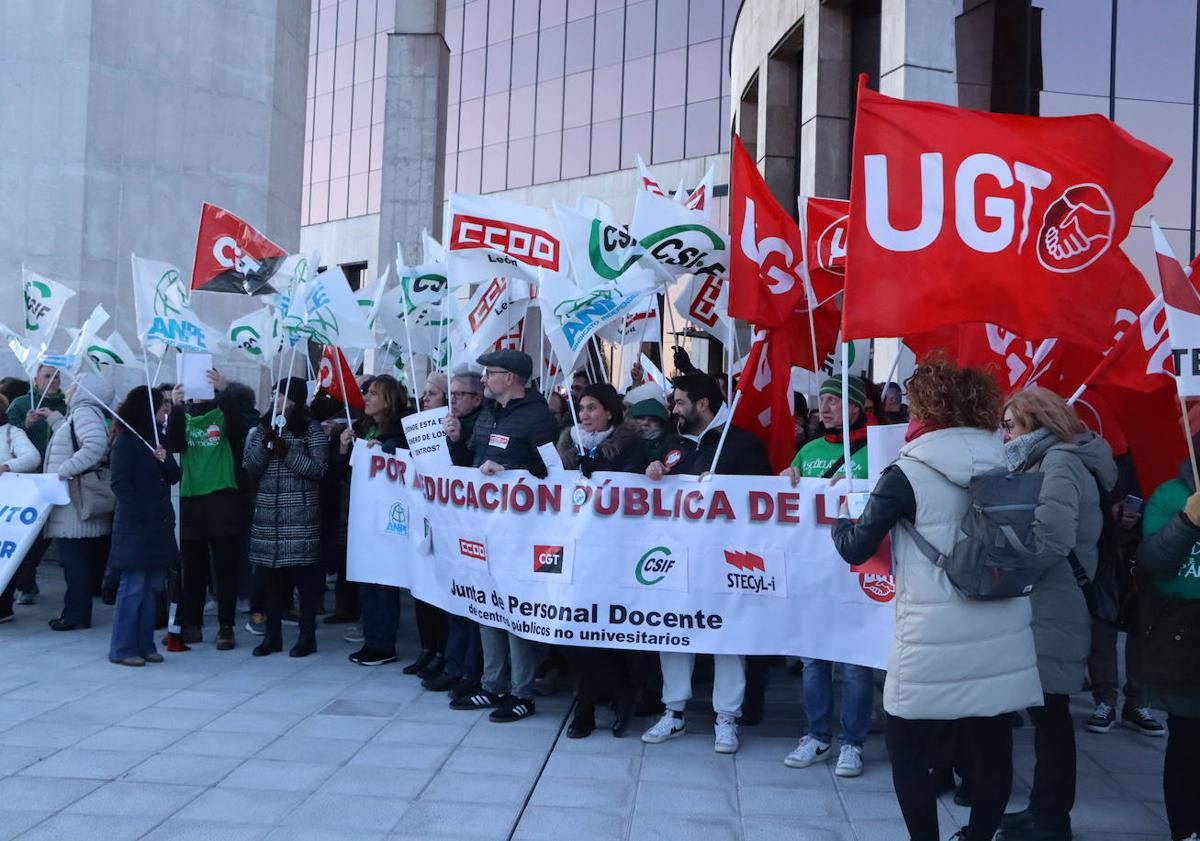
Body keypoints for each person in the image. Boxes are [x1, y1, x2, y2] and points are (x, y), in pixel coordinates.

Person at [831, 359, 1042, 841]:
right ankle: (978, 835)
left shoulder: (907, 471)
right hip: (1001, 628)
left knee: (907, 753)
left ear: (924, 406)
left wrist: (840, 522)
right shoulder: (1006, 460)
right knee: (993, 753)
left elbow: (857, 548)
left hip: (930, 638)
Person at [996, 388, 1117, 841]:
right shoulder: (1046, 460)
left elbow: (1051, 539)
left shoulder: (1060, 462)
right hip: (1048, 599)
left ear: (1036, 422)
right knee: (1047, 712)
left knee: (1051, 713)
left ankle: (1051, 818)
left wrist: (1003, 566)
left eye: (1010, 425)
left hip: (1056, 600)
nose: (1004, 434)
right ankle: (1043, 810)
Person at [641, 372, 771, 754]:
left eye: (680, 402)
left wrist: (728, 488)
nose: (674, 408)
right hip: (676, 558)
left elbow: (765, 501)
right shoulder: (675, 441)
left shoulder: (742, 443)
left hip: (724, 561)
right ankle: (674, 711)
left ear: (702, 404)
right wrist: (654, 472)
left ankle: (727, 716)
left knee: (726, 636)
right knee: (674, 631)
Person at [445, 350, 558, 722]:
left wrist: (508, 468)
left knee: (515, 611)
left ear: (510, 377)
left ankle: (521, 692)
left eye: (489, 373)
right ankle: (491, 684)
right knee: (487, 604)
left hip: (521, 531)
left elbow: (552, 471)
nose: (483, 380)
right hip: (485, 527)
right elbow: (470, 463)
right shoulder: (490, 414)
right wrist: (458, 442)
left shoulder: (537, 417)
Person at [780, 376, 875, 779]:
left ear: (856, 408)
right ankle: (817, 735)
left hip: (854, 571)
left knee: (855, 664)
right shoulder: (808, 449)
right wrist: (787, 476)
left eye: (835, 401)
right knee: (814, 660)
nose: (826, 408)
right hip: (812, 571)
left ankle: (852, 743)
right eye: (823, 401)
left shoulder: (874, 451)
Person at [556, 383, 651, 737]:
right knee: (571, 629)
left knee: (606, 630)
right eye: (581, 408)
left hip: (616, 553)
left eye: (593, 408)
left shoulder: (631, 447)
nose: (585, 415)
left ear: (610, 412)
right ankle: (604, 695)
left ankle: (598, 702)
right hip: (576, 550)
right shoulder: (567, 447)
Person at [1139, 448, 1200, 841]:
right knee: (1188, 742)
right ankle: (1185, 829)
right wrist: (1188, 520)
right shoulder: (1170, 495)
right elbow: (1154, 562)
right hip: (1185, 635)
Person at [243, 377, 329, 657]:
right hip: (269, 515)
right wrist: (264, 447)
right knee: (271, 580)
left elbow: (318, 470)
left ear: (292, 399)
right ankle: (272, 635)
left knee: (304, 581)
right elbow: (251, 467)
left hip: (300, 517)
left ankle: (307, 636)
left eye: (278, 395)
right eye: (272, 395)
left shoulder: (310, 429)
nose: (273, 400)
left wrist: (287, 451)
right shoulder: (263, 427)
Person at [166, 370, 249, 649]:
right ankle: (192, 622)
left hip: (222, 497)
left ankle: (226, 626)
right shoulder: (182, 417)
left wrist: (224, 392)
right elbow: (175, 443)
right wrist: (176, 407)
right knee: (193, 568)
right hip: (191, 500)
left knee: (225, 568)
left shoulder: (222, 414)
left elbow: (239, 430)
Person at [1085, 448, 1163, 736]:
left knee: (1142, 628)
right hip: (1108, 550)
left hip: (1144, 549)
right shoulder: (1104, 457)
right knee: (1102, 626)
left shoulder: (1154, 455)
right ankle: (1105, 699)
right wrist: (1112, 512)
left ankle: (1137, 702)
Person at [336, 375, 410, 666]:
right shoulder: (363, 427)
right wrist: (343, 448)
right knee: (366, 577)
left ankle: (385, 643)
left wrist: (390, 449)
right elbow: (344, 472)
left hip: (388, 515)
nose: (366, 398)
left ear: (388, 399)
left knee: (384, 581)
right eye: (366, 393)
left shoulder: (400, 429)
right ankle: (371, 639)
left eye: (374, 394)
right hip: (363, 513)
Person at [107, 387, 179, 667]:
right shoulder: (126, 441)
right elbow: (119, 484)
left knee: (152, 588)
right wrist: (141, 511)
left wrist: (164, 459)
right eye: (162, 407)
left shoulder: (157, 439)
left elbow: (173, 476)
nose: (166, 413)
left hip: (158, 523)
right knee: (133, 587)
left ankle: (145, 643)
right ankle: (123, 647)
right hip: (136, 525)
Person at [428, 371, 486, 697]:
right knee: (456, 598)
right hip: (452, 520)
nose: (454, 400)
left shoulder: (480, 424)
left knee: (472, 601)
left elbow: (468, 469)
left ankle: (470, 670)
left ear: (476, 398)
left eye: (460, 394)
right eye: (451, 394)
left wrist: (457, 440)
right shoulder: (450, 420)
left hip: (473, 524)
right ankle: (453, 664)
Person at [43, 373, 115, 631]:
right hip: (75, 501)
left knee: (74, 561)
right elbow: (74, 439)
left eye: (75, 384)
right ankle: (77, 612)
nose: (69, 388)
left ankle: (75, 615)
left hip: (73, 502)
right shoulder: (85, 414)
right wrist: (53, 419)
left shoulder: (84, 412)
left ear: (87, 390)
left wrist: (63, 470)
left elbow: (94, 445)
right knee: (79, 560)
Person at [7, 364, 67, 605]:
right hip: (27, 479)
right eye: (47, 376)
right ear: (35, 380)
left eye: (57, 376)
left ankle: (26, 578)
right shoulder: (21, 404)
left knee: (45, 535)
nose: (53, 380)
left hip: (56, 477)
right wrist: (26, 425)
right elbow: (7, 435)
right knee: (28, 532)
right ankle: (25, 582)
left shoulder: (66, 405)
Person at [405, 371, 450, 678]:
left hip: (447, 516)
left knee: (442, 587)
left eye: (432, 394)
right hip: (422, 511)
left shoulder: (453, 427)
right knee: (422, 583)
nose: (424, 398)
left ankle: (444, 651)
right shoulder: (416, 426)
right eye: (424, 393)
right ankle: (427, 648)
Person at [0, 396, 44, 623]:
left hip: (7, 504)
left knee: (4, 554)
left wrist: (6, 467)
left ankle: (3, 606)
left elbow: (32, 457)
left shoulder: (11, 433)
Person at [628, 398, 670, 463]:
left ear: (661, 424)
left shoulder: (670, 445)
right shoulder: (622, 443)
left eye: (652, 420)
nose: (645, 423)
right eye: (641, 418)